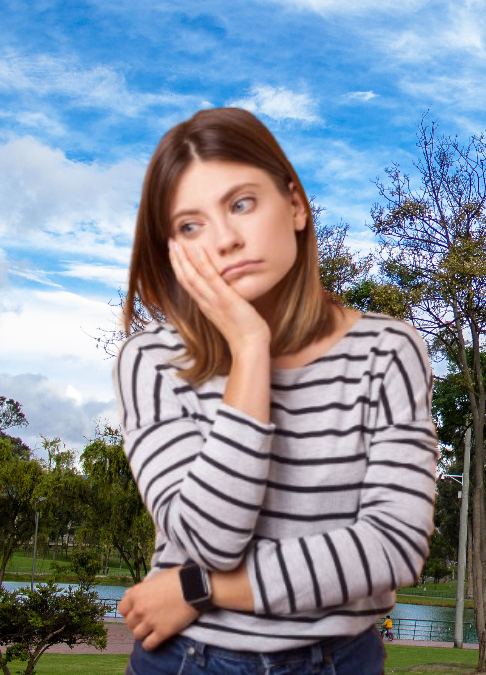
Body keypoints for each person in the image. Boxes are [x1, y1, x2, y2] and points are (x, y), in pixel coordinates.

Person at [113, 107, 438, 675]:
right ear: (172, 248)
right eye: (192, 226)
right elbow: (208, 539)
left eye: (241, 204)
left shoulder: (389, 350)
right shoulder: (151, 361)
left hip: (343, 660)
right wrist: (249, 348)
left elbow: (394, 545)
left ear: (295, 204)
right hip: (188, 660)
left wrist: (196, 588)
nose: (226, 240)